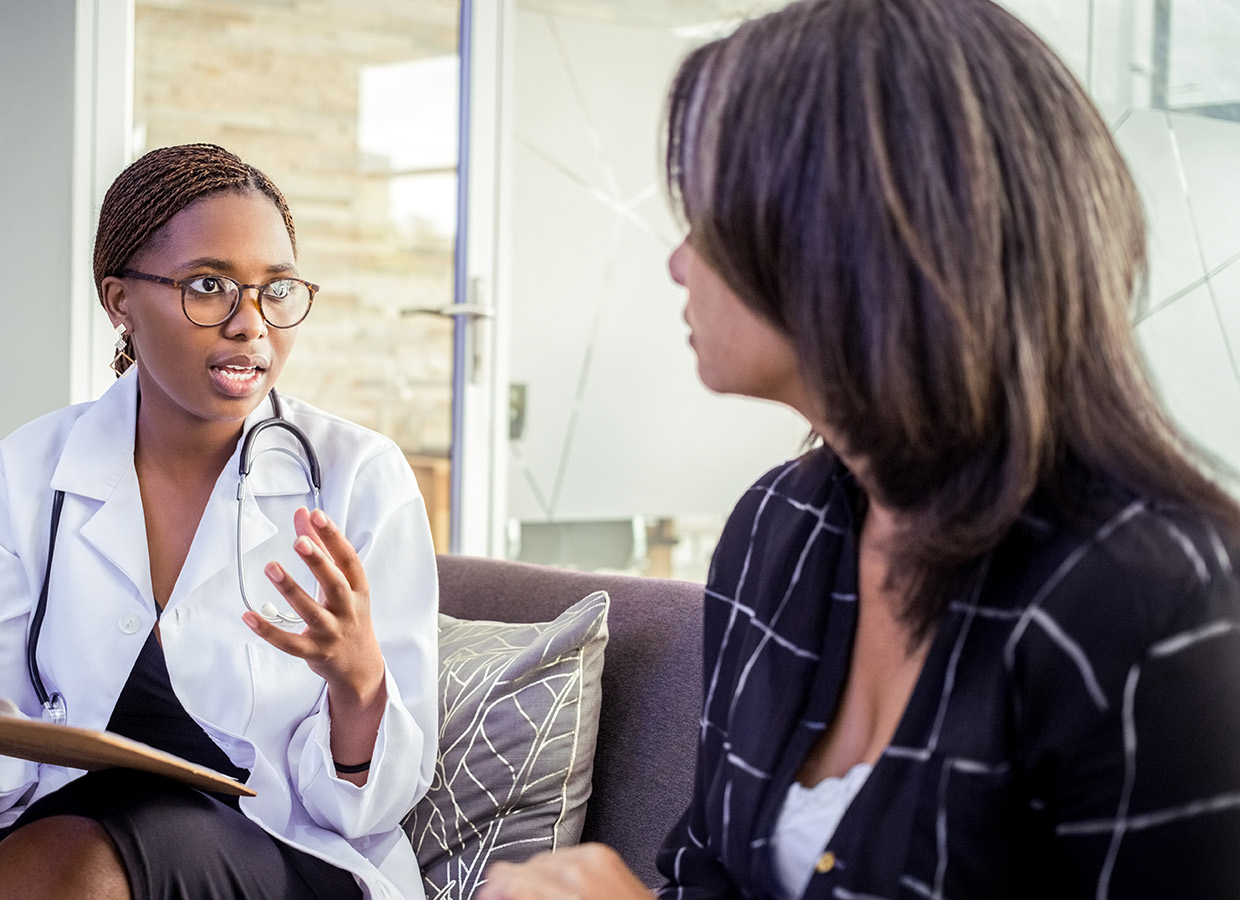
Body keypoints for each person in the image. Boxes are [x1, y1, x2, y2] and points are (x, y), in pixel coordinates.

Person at [478, 0, 1240, 898]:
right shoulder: (781, 526)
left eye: (710, 216)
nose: (680, 262)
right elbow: (710, 872)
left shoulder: (1159, 602)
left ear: (839, 236)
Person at [0, 144, 439, 900]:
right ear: (119, 302)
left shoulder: (359, 479)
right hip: (49, 833)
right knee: (46, 850)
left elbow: (368, 805)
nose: (250, 323)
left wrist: (359, 685)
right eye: (210, 287)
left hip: (278, 853)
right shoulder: (29, 470)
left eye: (276, 290)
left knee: (79, 851)